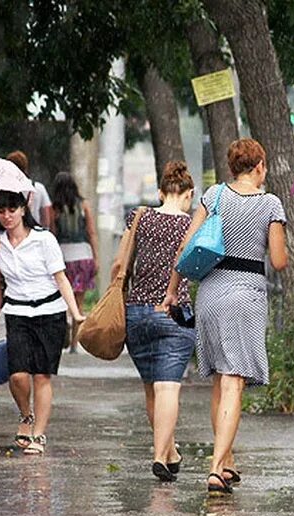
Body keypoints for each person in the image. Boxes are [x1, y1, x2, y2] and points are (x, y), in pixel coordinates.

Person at [161, 138, 288, 495]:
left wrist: (172, 290)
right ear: (260, 165)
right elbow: (278, 261)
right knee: (234, 380)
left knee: (220, 379)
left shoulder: (214, 195)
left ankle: (227, 458)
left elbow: (186, 245)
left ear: (232, 167)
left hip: (210, 292)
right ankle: (216, 468)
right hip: (244, 295)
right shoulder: (270, 203)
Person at [110, 161, 195, 482]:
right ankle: (159, 455)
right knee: (168, 387)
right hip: (173, 314)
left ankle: (170, 451)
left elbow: (120, 263)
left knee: (152, 388)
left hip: (137, 315)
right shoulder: (191, 225)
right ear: (189, 194)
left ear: (160, 192)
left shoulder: (139, 217)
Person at [0, 190, 85, 455]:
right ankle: (25, 415)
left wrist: (74, 314)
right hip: (17, 312)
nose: (7, 216)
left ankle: (38, 435)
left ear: (23, 209)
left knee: (42, 374)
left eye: (12, 210)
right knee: (17, 375)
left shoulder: (44, 239)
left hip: (49, 312)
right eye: (1, 211)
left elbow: (61, 278)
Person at [48, 171, 100, 352]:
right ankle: (74, 345)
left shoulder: (54, 209)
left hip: (62, 259)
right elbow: (92, 232)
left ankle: (63, 334)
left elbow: (52, 234)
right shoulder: (84, 205)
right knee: (78, 305)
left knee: (61, 303)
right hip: (83, 256)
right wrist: (96, 257)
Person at [5, 150, 52, 228]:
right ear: (25, 166)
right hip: (34, 232)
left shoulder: (3, 190)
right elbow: (46, 218)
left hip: (12, 233)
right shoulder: (38, 188)